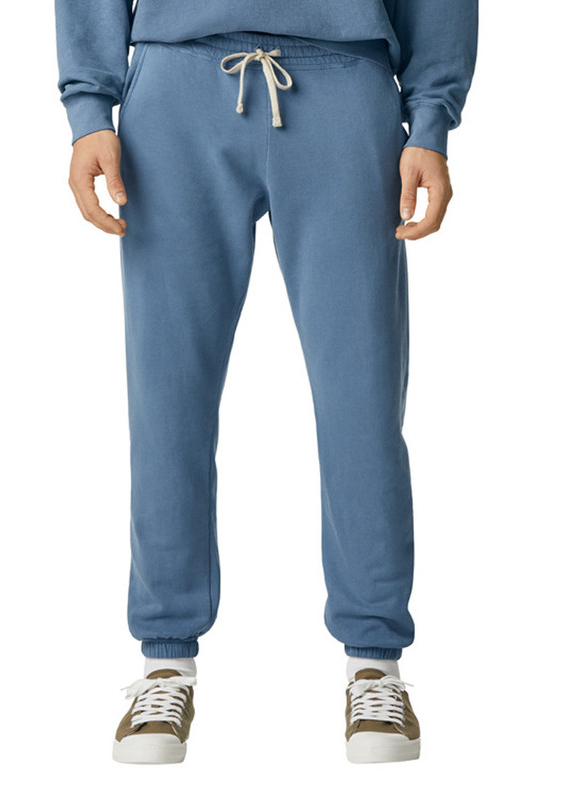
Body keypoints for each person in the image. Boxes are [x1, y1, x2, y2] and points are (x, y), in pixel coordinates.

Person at [54, 0, 478, 764]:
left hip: (346, 84)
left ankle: (374, 663)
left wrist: (431, 120)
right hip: (176, 90)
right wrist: (89, 107)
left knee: (361, 398)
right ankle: (165, 660)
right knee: (167, 398)